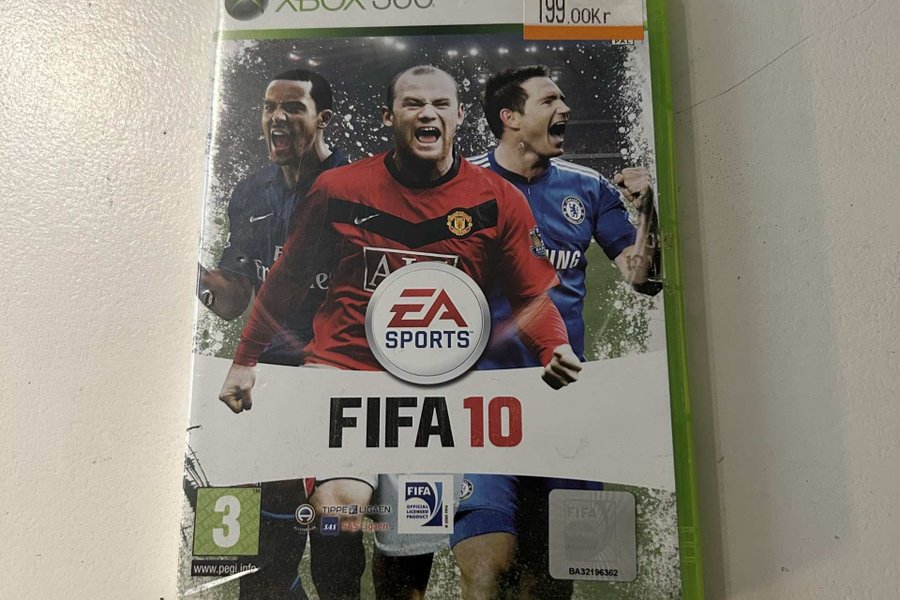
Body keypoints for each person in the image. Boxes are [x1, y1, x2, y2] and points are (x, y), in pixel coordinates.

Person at [217, 65, 582, 599]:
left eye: (440, 104)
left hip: (433, 397)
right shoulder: (338, 189)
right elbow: (285, 283)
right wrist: (245, 359)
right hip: (343, 379)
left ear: (459, 115)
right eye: (413, 103)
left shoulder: (496, 199)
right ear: (390, 117)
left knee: (404, 563)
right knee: (338, 512)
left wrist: (555, 345)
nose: (427, 113)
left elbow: (531, 296)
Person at [451, 65, 662, 599]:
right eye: (549, 101)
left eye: (563, 99)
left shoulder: (588, 187)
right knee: (486, 567)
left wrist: (648, 212)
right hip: (482, 404)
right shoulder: (456, 184)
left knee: (552, 581)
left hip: (567, 404)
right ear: (510, 117)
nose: (565, 109)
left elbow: (643, 279)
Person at [196, 68, 347, 599]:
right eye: (269, 108)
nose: (277, 117)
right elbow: (231, 300)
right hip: (267, 379)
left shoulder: (358, 187)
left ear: (323, 119)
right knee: (249, 557)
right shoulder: (250, 192)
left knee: (334, 551)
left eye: (293, 107)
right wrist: (186, 270)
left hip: (338, 383)